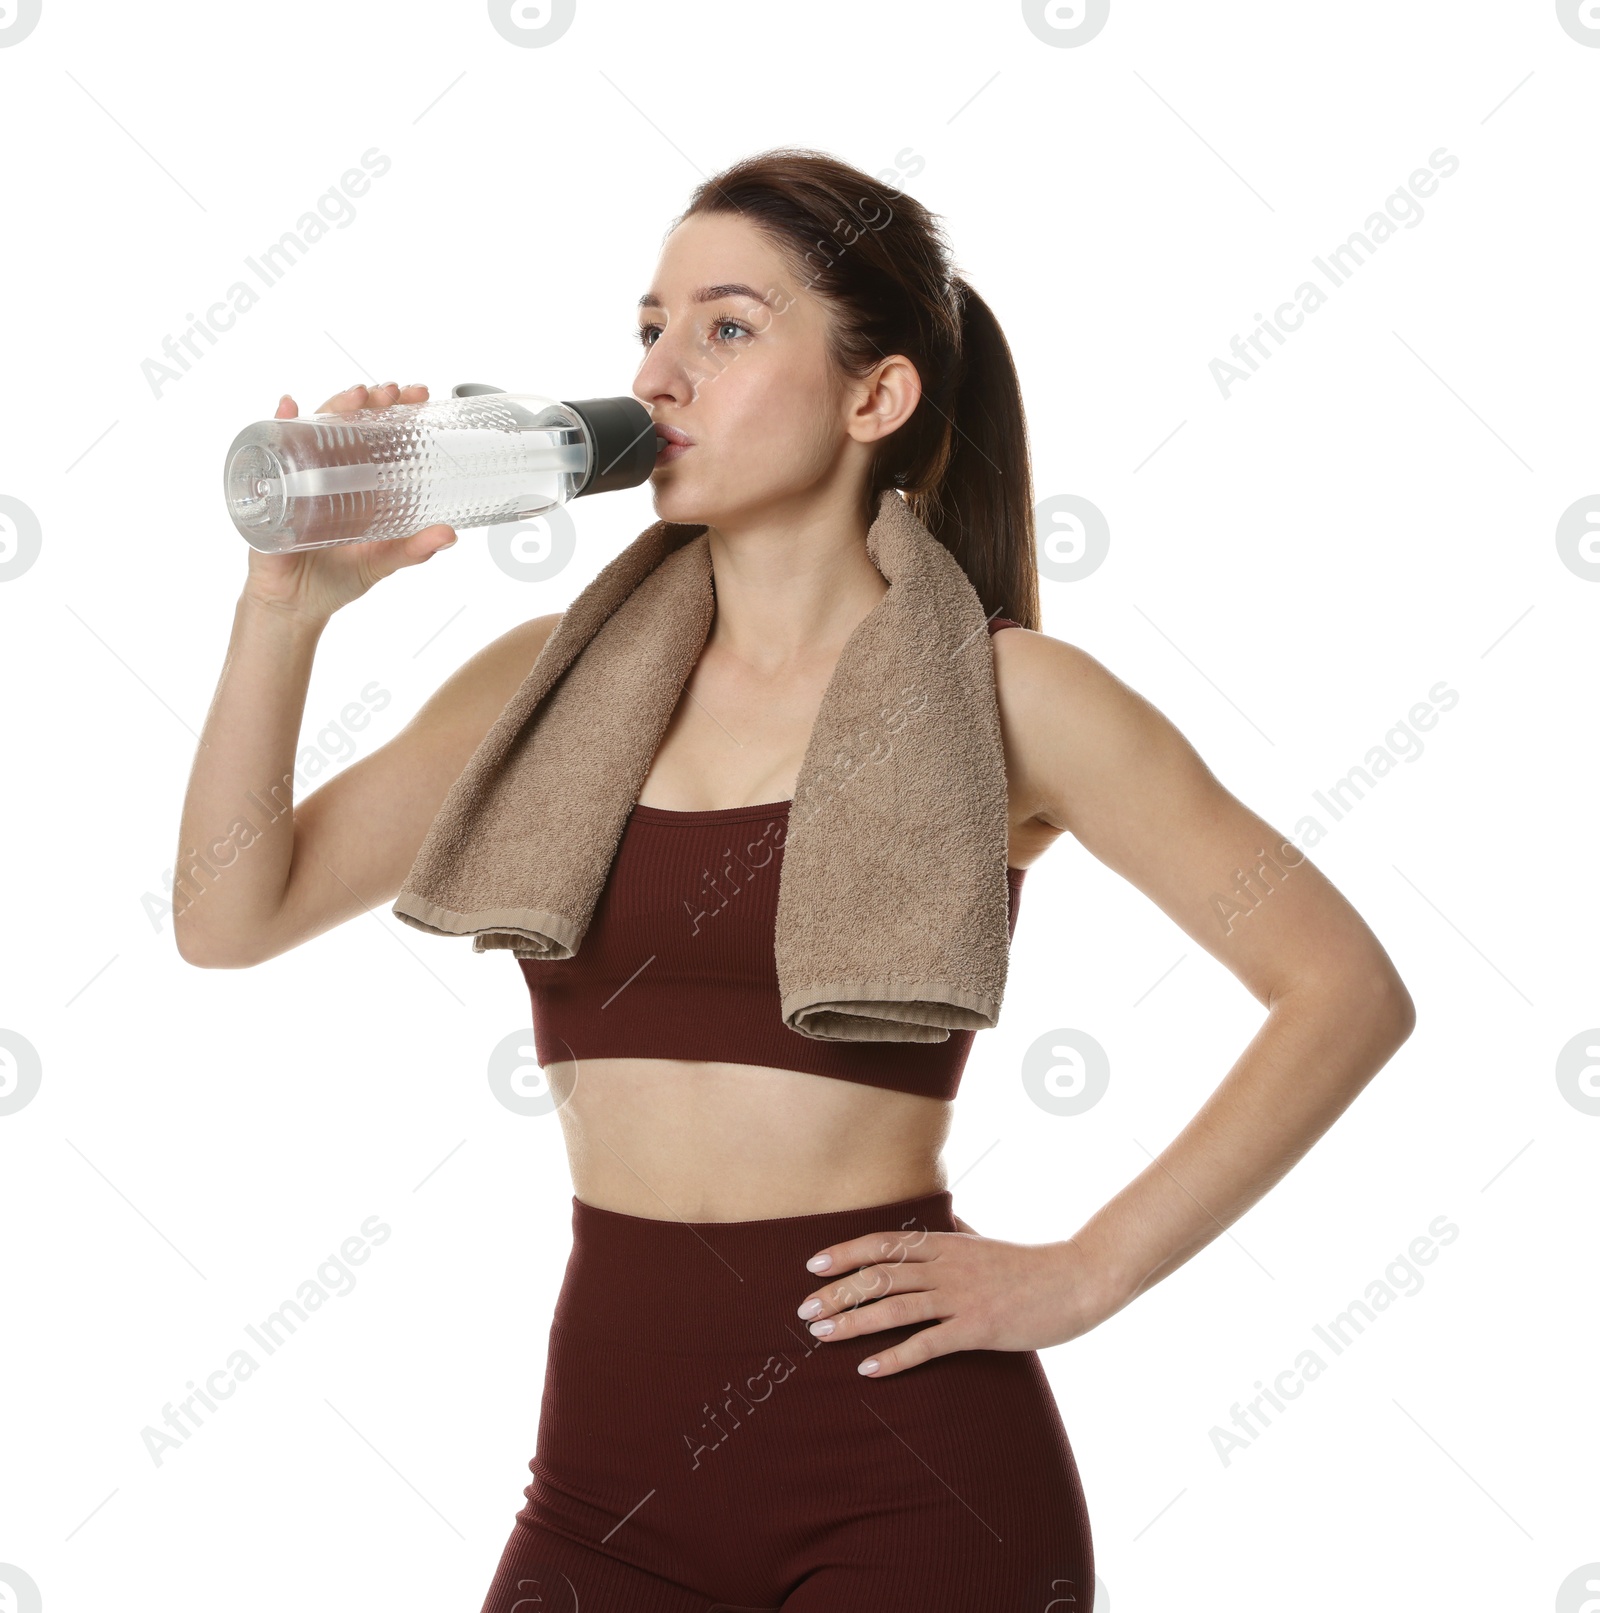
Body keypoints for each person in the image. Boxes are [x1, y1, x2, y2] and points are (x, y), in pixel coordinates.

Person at [174, 147, 1415, 1611]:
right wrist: (288, 613)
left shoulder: (1010, 698)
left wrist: (1084, 1274)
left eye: (728, 327)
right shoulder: (546, 683)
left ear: (874, 398)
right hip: (602, 1486)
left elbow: (1343, 990)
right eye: (649, 325)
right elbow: (228, 913)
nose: (660, 374)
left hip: (910, 1470)